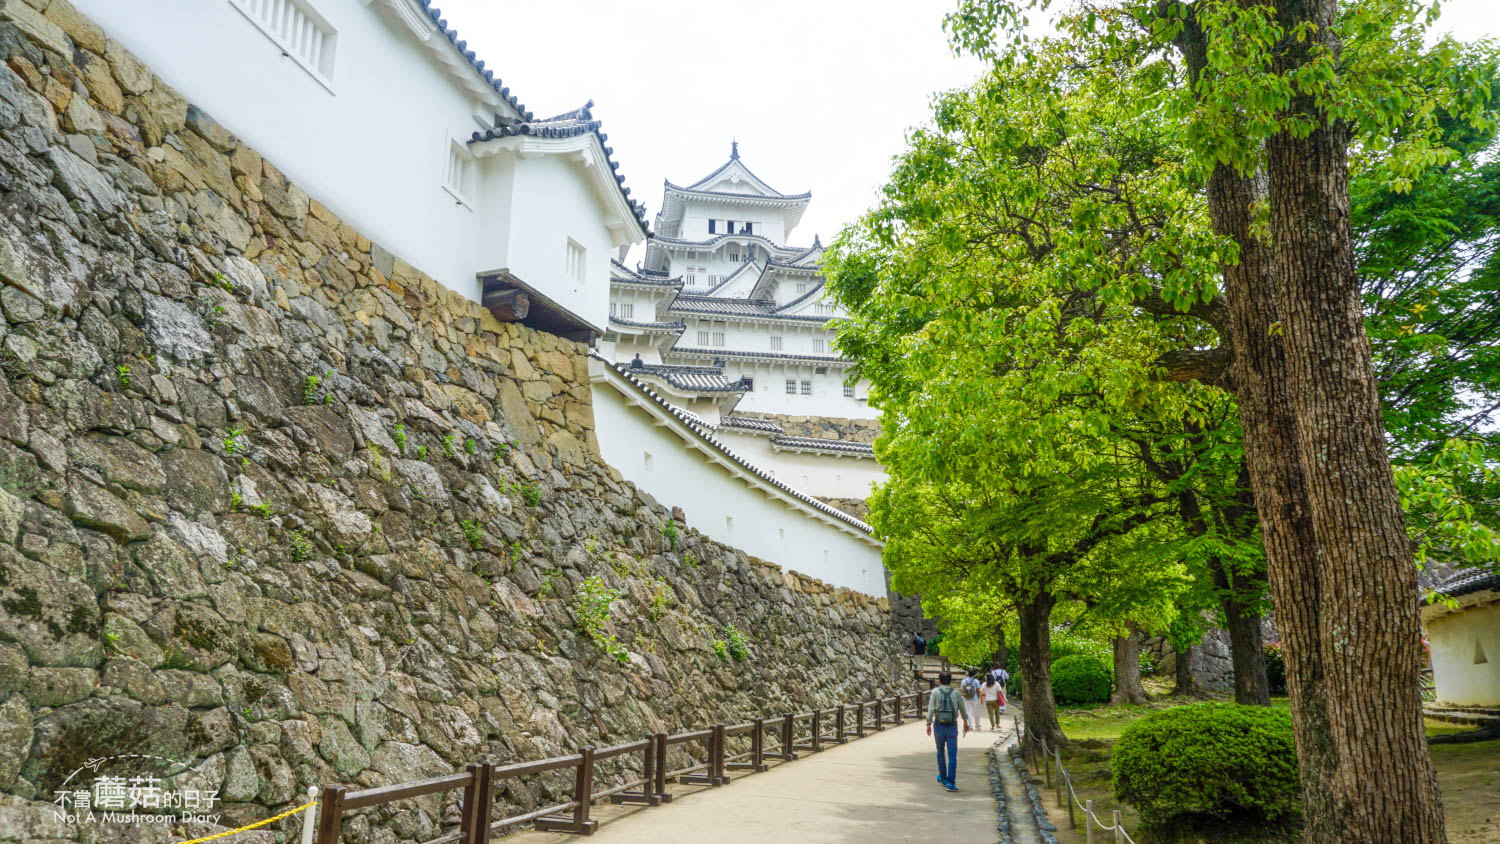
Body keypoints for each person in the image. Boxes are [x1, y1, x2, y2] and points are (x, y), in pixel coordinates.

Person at [926, 671, 971, 791]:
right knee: (952, 754)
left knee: (940, 751)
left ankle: (943, 777)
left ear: (939, 681)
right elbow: (962, 709)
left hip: (938, 725)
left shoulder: (935, 692)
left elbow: (931, 709)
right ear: (950, 681)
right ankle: (951, 782)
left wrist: (928, 723)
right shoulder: (956, 693)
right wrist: (966, 722)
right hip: (952, 725)